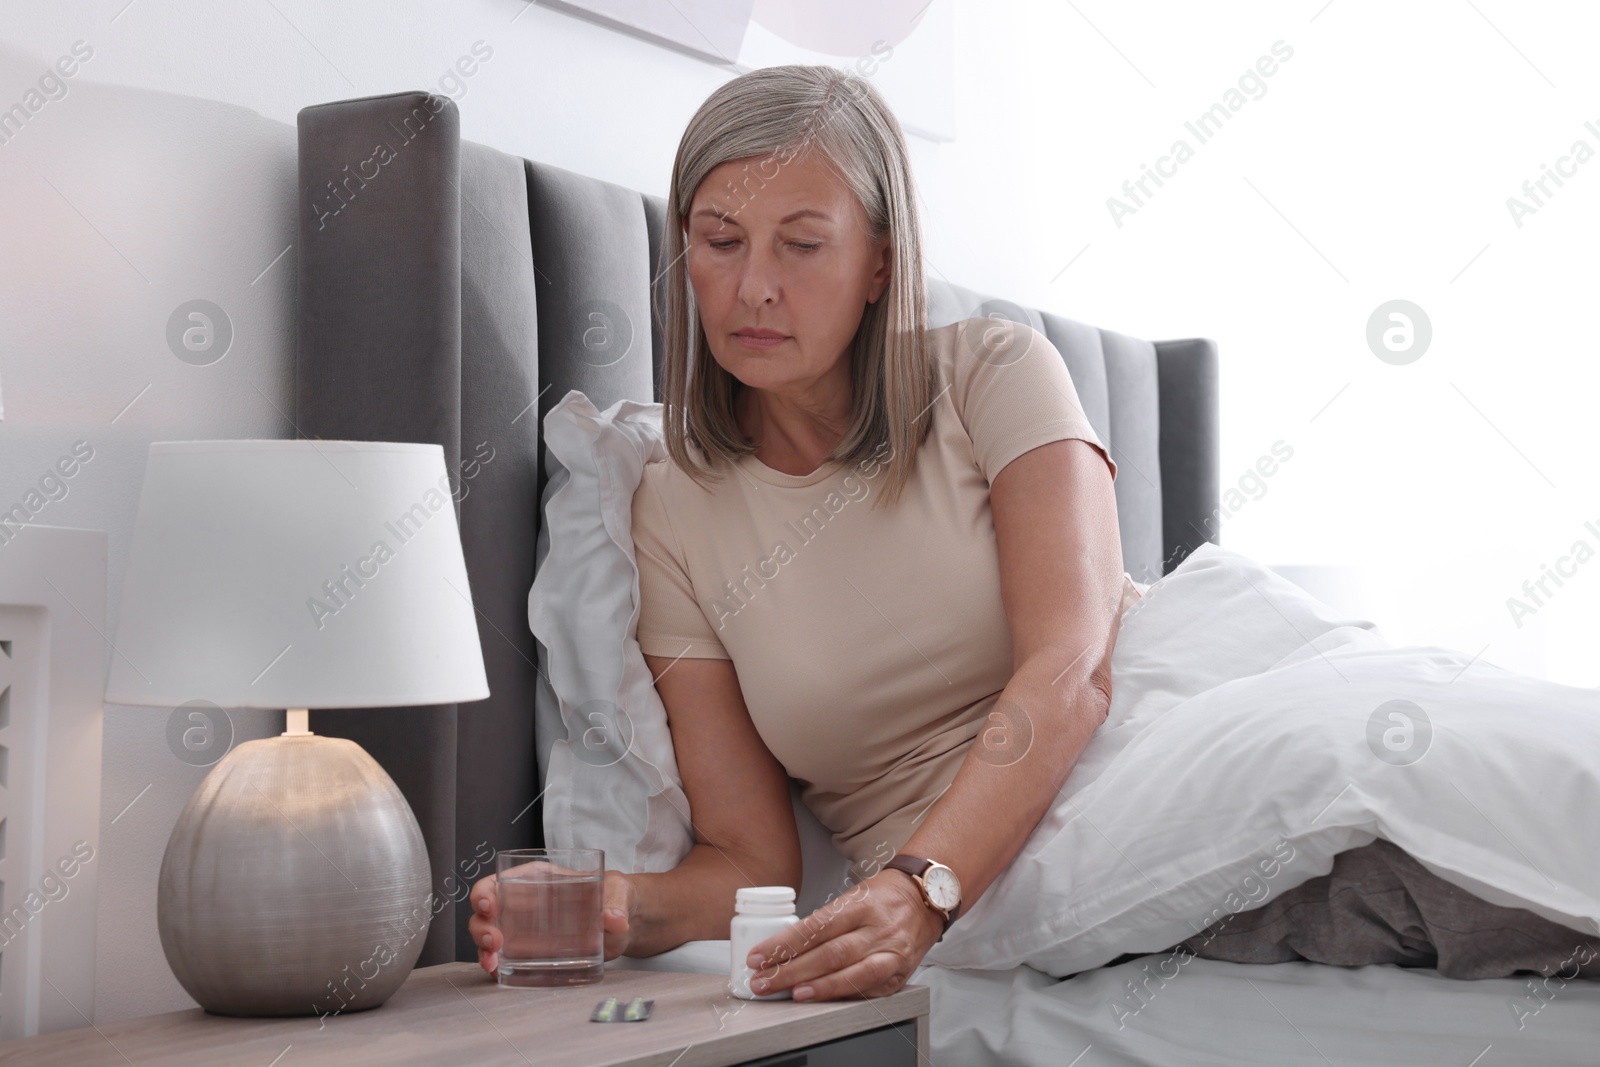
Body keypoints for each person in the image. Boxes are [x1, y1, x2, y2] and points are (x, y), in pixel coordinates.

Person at [469, 64, 1599, 999]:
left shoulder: (990, 372)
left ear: (876, 261)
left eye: (800, 243)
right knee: (1405, 835)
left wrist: (924, 887)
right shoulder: (672, 507)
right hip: (1017, 850)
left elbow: (1071, 667)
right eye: (719, 239)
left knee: (1450, 751)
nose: (752, 286)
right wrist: (621, 905)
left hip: (1152, 717)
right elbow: (752, 862)